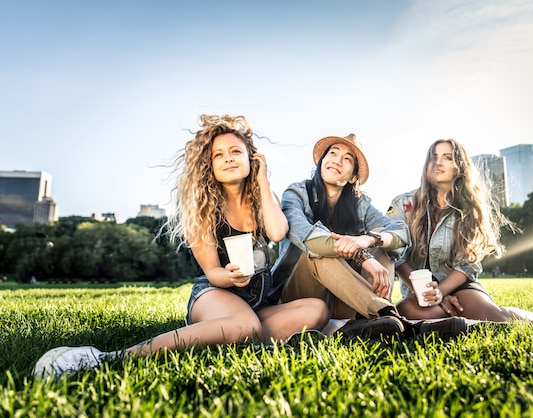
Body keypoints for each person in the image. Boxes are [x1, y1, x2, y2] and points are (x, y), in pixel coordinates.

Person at [34, 114, 330, 379]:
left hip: (255, 302)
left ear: (251, 158)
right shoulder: (201, 209)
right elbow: (212, 272)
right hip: (214, 295)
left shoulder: (264, 197)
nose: (228, 158)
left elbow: (277, 232)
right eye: (219, 155)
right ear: (209, 165)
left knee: (317, 310)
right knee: (245, 325)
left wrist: (262, 179)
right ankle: (109, 358)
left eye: (236, 151)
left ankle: (226, 337)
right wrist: (229, 277)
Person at [271, 133, 470, 339]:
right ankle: (394, 318)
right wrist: (362, 256)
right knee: (318, 252)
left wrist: (368, 240)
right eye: (333, 153)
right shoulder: (296, 193)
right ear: (322, 162)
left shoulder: (360, 204)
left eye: (347, 159)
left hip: (346, 296)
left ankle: (366, 324)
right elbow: (309, 239)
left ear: (353, 177)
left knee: (384, 248)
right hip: (299, 296)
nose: (337, 160)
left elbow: (400, 232)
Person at [387, 139, 533, 322]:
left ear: (459, 167)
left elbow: (467, 264)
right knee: (405, 310)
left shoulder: (469, 208)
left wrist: (441, 291)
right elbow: (395, 253)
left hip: (459, 287)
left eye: (447, 158)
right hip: (419, 292)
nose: (438, 162)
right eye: (434, 157)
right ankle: (455, 317)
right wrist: (427, 292)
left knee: (497, 318)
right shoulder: (404, 204)